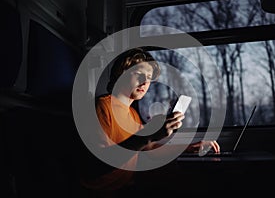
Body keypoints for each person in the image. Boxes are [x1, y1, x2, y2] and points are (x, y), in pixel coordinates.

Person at [79, 47, 220, 197]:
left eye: (148, 77)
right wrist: (149, 135)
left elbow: (148, 148)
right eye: (139, 74)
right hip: (102, 190)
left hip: (125, 185)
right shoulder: (101, 107)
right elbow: (97, 164)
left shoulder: (132, 114)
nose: (145, 81)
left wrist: (188, 148)